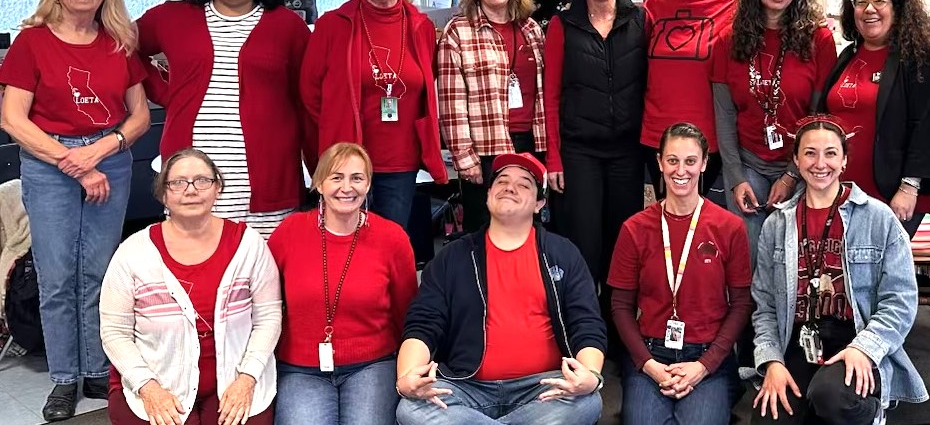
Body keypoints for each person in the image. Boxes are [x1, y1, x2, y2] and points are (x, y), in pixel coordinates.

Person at [0, 0, 150, 421]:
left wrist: (100, 150)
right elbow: (12, 118)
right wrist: (77, 164)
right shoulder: (32, 42)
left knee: (99, 273)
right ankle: (65, 378)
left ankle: (96, 368)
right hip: (50, 164)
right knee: (58, 276)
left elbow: (139, 116)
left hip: (110, 158)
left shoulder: (118, 41)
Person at [395, 152, 605, 425]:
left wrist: (590, 375)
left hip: (544, 388)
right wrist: (406, 379)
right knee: (411, 409)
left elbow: (586, 323)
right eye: (502, 181)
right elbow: (423, 323)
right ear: (488, 195)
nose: (510, 187)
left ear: (539, 204)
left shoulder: (563, 253)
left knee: (586, 401)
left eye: (523, 184)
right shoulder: (453, 256)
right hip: (465, 387)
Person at [712, 0, 836, 376]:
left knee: (792, 261)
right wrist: (735, 178)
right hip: (746, 163)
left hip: (801, 168)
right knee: (746, 264)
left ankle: (791, 355)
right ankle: (747, 354)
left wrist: (791, 173)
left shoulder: (817, 39)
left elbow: (819, 115)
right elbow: (724, 116)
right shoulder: (729, 38)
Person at [751, 115, 924, 425]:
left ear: (844, 160)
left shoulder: (878, 218)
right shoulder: (776, 225)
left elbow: (901, 301)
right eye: (810, 153)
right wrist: (772, 362)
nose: (820, 163)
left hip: (856, 339)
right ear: (796, 160)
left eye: (831, 153)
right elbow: (764, 305)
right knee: (769, 417)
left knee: (831, 397)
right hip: (799, 340)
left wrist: (864, 348)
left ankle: (872, 414)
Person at [137, 0, 311, 237]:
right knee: (194, 254)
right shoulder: (172, 17)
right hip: (192, 170)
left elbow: (308, 96)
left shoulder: (288, 26)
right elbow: (124, 47)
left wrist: (320, 164)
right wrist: (166, 93)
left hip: (267, 172)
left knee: (265, 258)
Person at [100, 148, 281, 425]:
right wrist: (147, 387)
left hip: (235, 382)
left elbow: (268, 318)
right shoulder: (133, 252)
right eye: (178, 182)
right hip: (155, 383)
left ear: (217, 188)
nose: (191, 190)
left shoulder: (249, 245)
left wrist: (247, 379)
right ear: (163, 194)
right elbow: (114, 331)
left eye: (202, 180)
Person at [300, 0, 447, 264]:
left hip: (400, 160)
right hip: (346, 161)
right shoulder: (333, 25)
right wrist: (332, 139)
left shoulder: (421, 26)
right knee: (344, 249)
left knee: (389, 248)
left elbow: (427, 87)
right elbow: (310, 96)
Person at [608, 122, 753, 425]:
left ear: (704, 164)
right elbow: (620, 307)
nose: (681, 170)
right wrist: (649, 365)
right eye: (672, 160)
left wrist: (704, 365)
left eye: (690, 161)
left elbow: (741, 304)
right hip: (651, 354)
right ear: (659, 162)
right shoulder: (634, 229)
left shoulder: (730, 227)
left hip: (707, 356)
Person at [268, 142, 418, 425]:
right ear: (319, 183)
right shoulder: (289, 233)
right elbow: (266, 303)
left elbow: (407, 311)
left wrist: (410, 366)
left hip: (372, 364)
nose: (346, 188)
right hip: (302, 367)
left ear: (368, 184)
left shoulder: (392, 238)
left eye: (357, 178)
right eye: (336, 177)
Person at [543, 0, 648, 284]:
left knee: (622, 245)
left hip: (627, 152)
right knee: (583, 243)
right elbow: (551, 96)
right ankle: (584, 315)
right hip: (579, 152)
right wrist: (554, 159)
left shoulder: (640, 19)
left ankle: (617, 317)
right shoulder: (562, 25)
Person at [816, 0, 930, 236]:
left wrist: (909, 186)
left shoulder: (920, 58)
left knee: (880, 262)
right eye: (861, 2)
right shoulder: (848, 55)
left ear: (897, 8)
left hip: (894, 192)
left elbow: (928, 127)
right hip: (844, 190)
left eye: (879, 1)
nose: (869, 9)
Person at [438, 0, 546, 234]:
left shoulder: (531, 29)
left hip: (531, 143)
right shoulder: (458, 31)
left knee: (529, 227)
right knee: (485, 231)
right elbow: (451, 102)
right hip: (485, 150)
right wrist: (464, 158)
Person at [642, 0, 740, 195]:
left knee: (696, 209)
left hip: (707, 134)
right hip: (657, 132)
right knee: (666, 206)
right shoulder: (654, 4)